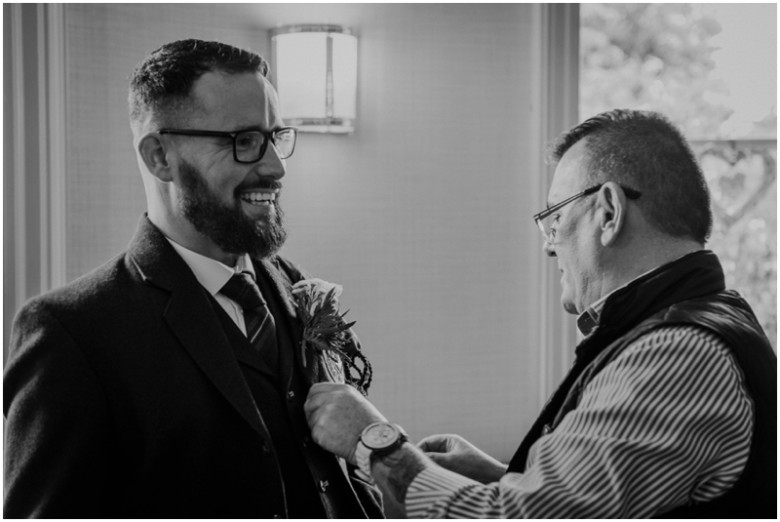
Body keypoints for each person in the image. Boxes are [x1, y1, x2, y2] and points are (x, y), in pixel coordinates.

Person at [304, 109, 777, 518]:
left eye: (555, 216)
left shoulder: (676, 356)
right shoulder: (700, 321)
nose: (550, 245)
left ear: (609, 211)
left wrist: (374, 441)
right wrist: (503, 476)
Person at [4, 39, 382, 518]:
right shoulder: (70, 333)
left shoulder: (292, 284)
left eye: (275, 136)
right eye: (243, 141)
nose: (275, 167)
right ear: (160, 156)